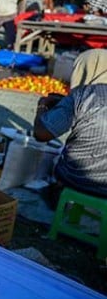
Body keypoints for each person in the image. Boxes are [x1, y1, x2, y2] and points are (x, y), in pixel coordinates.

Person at [34, 49, 107, 200]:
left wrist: (42, 107)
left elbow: (41, 134)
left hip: (78, 181)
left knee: (50, 159)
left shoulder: (81, 95)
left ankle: (56, 196)